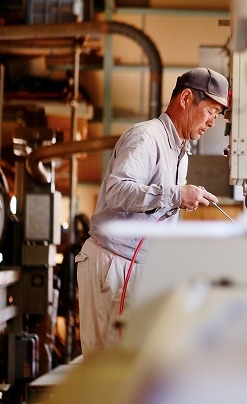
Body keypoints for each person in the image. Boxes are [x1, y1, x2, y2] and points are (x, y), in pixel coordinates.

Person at [76, 67, 229, 356]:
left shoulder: (180, 149)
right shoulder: (147, 137)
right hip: (114, 264)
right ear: (186, 98)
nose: (212, 122)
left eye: (217, 116)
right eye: (210, 111)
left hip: (137, 267)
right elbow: (117, 190)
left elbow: (160, 211)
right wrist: (176, 194)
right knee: (108, 370)